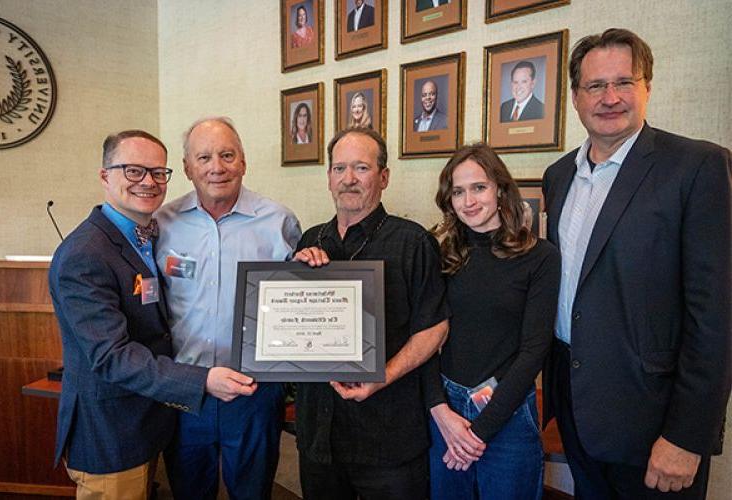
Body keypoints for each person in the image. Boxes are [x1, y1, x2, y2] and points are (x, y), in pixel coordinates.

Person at [542, 28, 731, 499]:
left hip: (653, 421)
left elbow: (717, 315)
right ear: (574, 97)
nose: (610, 98)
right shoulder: (558, 175)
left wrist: (688, 436)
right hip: (574, 402)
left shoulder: (697, 168)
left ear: (647, 87)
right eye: (595, 86)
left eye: (623, 82)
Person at [49, 129, 255, 500]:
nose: (148, 182)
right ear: (104, 175)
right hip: (110, 433)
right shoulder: (85, 253)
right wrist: (203, 380)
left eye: (158, 172)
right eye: (133, 171)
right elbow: (111, 356)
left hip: (147, 422)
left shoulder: (145, 236)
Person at [294, 127, 450, 499]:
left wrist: (383, 376)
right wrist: (295, 277)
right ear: (329, 178)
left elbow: (434, 327)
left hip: (388, 435)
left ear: (383, 177)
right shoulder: (309, 241)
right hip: (320, 434)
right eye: (339, 168)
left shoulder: (413, 242)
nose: (349, 179)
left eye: (361, 168)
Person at [156, 117, 301, 500]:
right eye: (203, 157)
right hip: (185, 391)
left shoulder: (279, 222)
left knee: (253, 493)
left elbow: (299, 301)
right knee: (188, 492)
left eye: (227, 155)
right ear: (187, 167)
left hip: (255, 392)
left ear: (243, 162)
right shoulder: (161, 224)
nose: (216, 167)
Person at [426, 143, 560, 499]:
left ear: (501, 189)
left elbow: (534, 351)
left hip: (508, 411)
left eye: (479, 187)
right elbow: (423, 340)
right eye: (458, 191)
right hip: (446, 411)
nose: (468, 201)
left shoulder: (540, 257)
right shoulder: (442, 254)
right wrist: (442, 414)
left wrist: (477, 433)